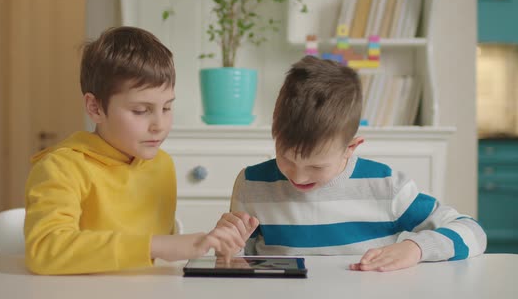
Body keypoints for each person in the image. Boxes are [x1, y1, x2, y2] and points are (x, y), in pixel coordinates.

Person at [215, 56, 487, 272]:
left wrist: (415, 248)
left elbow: (472, 232)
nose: (297, 176)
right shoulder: (251, 184)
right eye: (285, 158)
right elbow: (240, 263)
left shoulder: (386, 186)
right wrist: (227, 250)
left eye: (317, 166)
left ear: (351, 147)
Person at [24, 26, 243, 275]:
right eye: (141, 111)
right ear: (95, 108)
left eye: (167, 108)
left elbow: (158, 262)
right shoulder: (61, 168)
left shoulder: (162, 165)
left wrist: (216, 246)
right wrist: (156, 245)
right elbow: (44, 250)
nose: (159, 125)